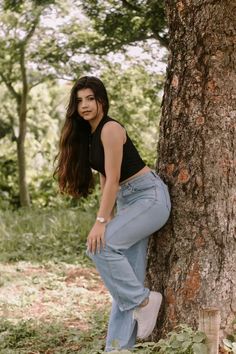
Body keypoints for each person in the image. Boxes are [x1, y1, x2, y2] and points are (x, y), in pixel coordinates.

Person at [54, 76, 171, 351]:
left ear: (101, 100)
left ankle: (145, 301)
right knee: (123, 288)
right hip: (130, 204)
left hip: (150, 198)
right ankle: (117, 349)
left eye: (90, 98)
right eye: (79, 100)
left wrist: (101, 222)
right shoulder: (92, 136)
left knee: (99, 246)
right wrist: (108, 213)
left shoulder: (110, 129)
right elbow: (107, 180)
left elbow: (116, 176)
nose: (84, 105)